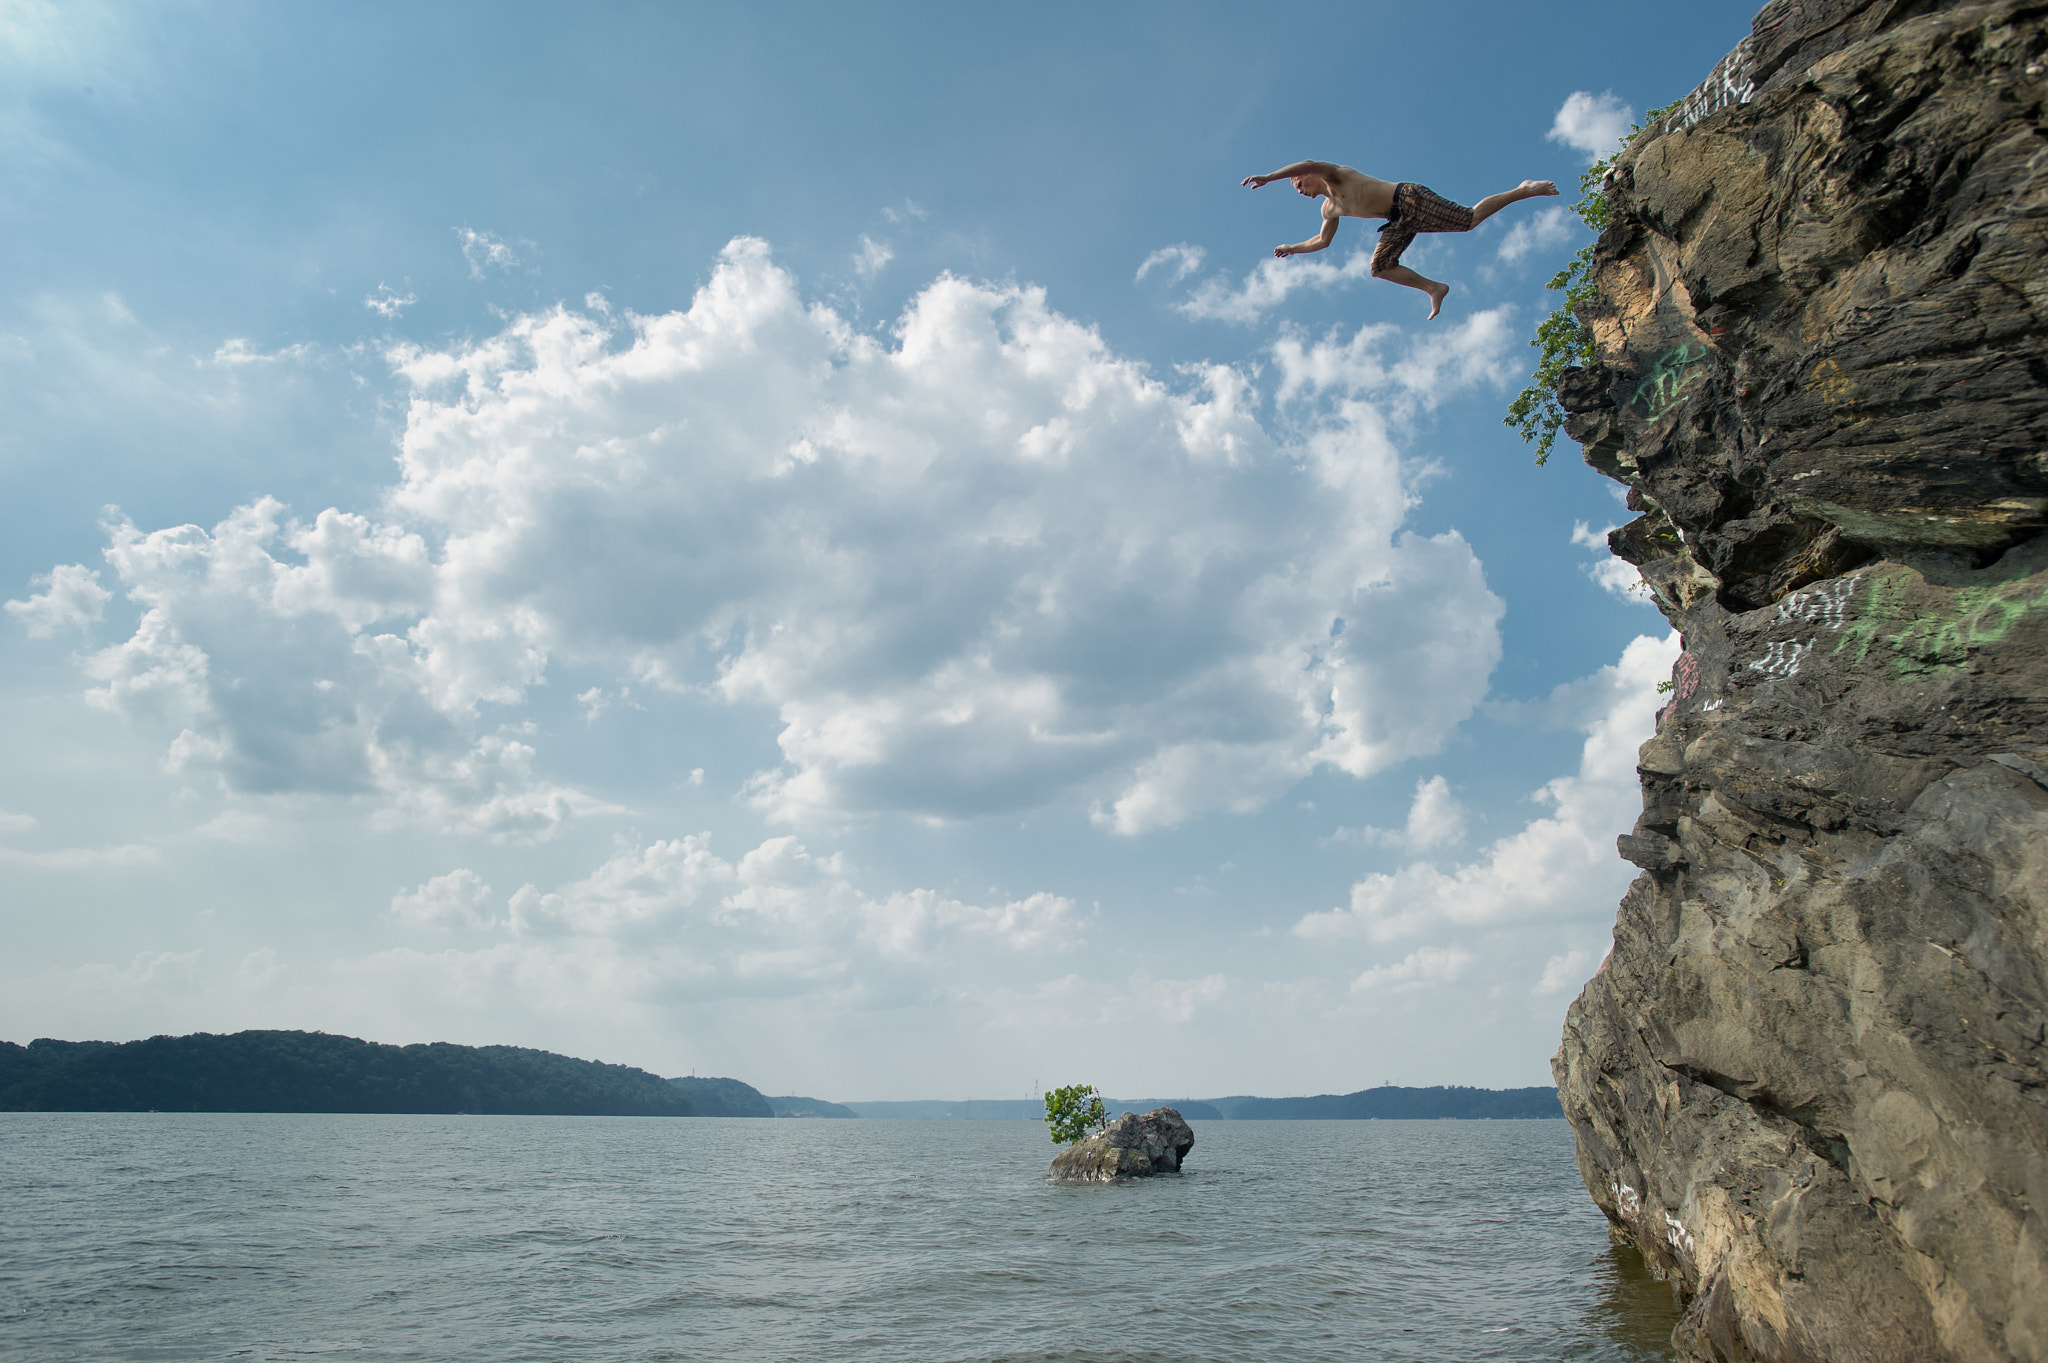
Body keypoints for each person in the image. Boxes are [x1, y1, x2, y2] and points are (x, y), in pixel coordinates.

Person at [1241, 161, 1558, 319]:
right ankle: (1434, 288)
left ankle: (1523, 189)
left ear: (1309, 176)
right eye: (1297, 189)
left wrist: (1270, 177)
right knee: (1379, 267)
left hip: (1409, 198)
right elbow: (1322, 241)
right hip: (1398, 221)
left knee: (1470, 220)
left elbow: (1308, 162)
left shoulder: (1335, 175)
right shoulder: (1329, 209)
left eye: (1299, 184)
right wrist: (1292, 249)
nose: (1300, 190)